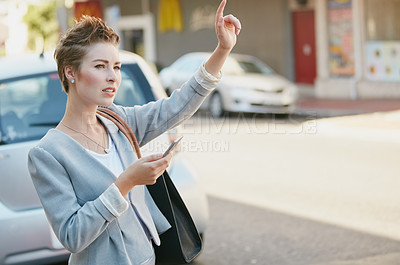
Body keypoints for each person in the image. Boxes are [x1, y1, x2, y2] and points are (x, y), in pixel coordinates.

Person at [28, 0, 241, 264]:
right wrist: (126, 182)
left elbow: (177, 106)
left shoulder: (118, 120)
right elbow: (72, 235)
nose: (113, 77)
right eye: (99, 66)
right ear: (70, 72)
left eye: (116, 67)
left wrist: (222, 49)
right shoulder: (47, 154)